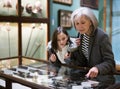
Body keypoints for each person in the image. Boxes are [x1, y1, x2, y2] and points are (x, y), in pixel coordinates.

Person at [70, 7, 116, 88]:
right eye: (77, 23)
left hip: (105, 80)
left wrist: (97, 68)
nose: (79, 26)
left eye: (83, 23)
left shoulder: (102, 36)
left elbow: (110, 62)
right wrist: (74, 49)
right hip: (91, 80)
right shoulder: (81, 35)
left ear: (91, 22)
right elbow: (82, 62)